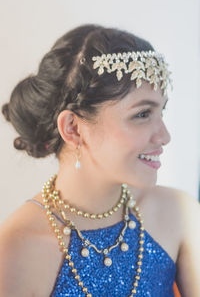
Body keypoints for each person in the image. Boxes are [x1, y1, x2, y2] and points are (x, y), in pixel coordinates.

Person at [0, 23, 199, 297]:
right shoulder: (20, 245)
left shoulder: (179, 213)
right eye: (142, 114)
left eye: (160, 112)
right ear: (73, 128)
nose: (164, 136)